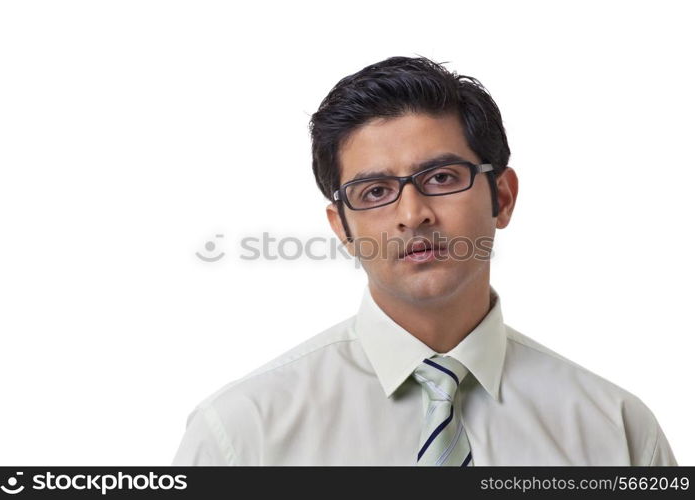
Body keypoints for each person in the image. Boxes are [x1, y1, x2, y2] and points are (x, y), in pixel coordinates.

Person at [171, 56, 678, 466]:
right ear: (342, 228)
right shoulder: (242, 434)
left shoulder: (617, 432)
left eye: (441, 178)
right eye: (374, 191)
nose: (412, 215)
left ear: (501, 197)